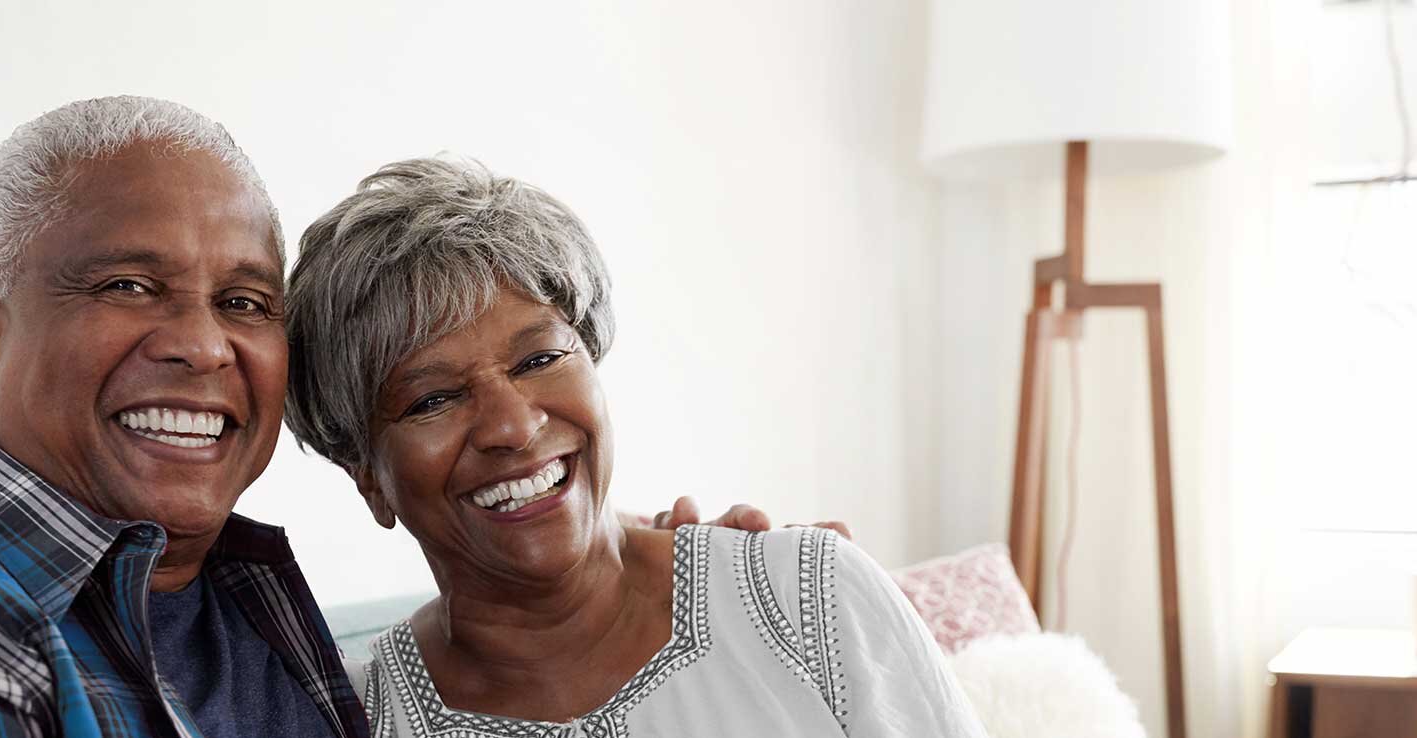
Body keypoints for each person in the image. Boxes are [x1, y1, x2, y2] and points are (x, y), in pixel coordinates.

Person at [0, 97, 779, 738]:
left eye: (247, 303)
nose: (203, 345)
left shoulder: (278, 622)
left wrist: (645, 588)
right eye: (126, 284)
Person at [283, 157, 987, 737]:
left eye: (537, 360)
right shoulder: (361, 722)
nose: (513, 426)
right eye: (433, 399)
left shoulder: (807, 596)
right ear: (367, 477)